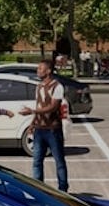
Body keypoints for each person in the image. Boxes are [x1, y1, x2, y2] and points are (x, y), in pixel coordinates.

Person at [19, 60, 70, 191]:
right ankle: (39, 189)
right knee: (36, 161)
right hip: (39, 129)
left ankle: (63, 190)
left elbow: (53, 107)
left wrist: (33, 111)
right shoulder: (39, 87)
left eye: (41, 68)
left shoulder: (57, 86)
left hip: (53, 129)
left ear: (48, 71)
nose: (38, 70)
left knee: (59, 161)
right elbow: (39, 106)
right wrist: (32, 123)